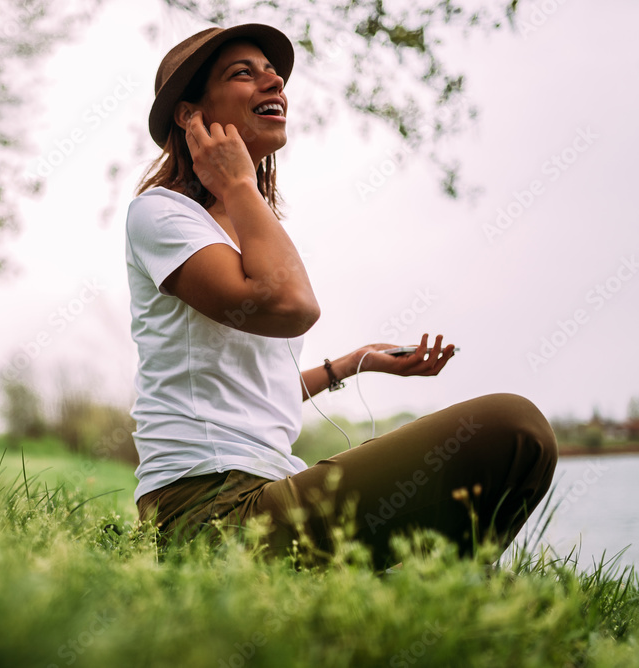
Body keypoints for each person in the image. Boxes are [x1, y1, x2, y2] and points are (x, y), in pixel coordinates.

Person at [125, 23, 557, 567]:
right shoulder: (161, 215)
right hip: (210, 512)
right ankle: (445, 588)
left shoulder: (248, 228)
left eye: (274, 73)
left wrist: (354, 363)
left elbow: (248, 384)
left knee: (507, 442)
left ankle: (444, 587)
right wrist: (236, 184)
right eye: (244, 73)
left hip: (264, 491)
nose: (274, 80)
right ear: (190, 116)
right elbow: (292, 307)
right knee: (515, 427)